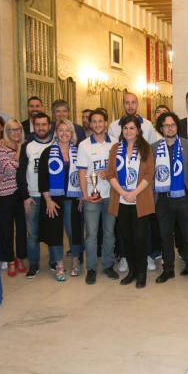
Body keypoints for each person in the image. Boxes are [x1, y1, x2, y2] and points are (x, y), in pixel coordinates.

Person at [106, 115, 155, 288]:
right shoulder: (115, 149)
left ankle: (141, 274)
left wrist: (133, 192)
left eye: (132, 128)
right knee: (127, 239)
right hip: (121, 201)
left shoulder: (146, 149)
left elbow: (149, 174)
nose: (128, 131)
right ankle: (132, 272)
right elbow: (110, 173)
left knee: (140, 239)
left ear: (138, 130)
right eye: (125, 128)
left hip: (140, 200)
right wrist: (122, 193)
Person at [152, 111, 188, 284]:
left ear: (177, 127)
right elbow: (151, 175)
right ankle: (168, 269)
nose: (169, 128)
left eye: (172, 125)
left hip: (184, 198)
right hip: (163, 199)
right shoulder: (154, 148)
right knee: (165, 235)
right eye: (166, 125)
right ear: (161, 128)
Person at [38, 119, 84, 281]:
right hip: (54, 201)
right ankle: (59, 264)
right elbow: (42, 179)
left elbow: (82, 176)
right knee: (55, 232)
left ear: (72, 134)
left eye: (68, 130)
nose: (64, 133)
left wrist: (82, 195)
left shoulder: (78, 152)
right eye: (61, 130)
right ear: (56, 133)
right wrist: (48, 200)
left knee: (74, 232)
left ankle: (76, 261)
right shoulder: (47, 152)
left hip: (73, 199)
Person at [77, 109, 118, 283]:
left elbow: (120, 168)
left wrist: (108, 173)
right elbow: (81, 171)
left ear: (106, 123)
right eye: (94, 121)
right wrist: (85, 195)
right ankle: (91, 268)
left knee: (109, 233)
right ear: (90, 124)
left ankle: (108, 265)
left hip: (111, 195)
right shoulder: (84, 145)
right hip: (92, 198)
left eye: (100, 121)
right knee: (91, 234)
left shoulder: (116, 143)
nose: (97, 124)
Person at [17, 112, 53, 279]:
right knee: (32, 233)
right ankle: (33, 264)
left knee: (53, 230)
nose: (41, 128)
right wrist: (25, 196)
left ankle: (54, 261)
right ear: (34, 126)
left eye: (44, 124)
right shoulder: (27, 146)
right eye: (37, 125)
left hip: (53, 197)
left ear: (49, 126)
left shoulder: (56, 144)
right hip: (33, 196)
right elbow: (21, 173)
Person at [0, 120, 28, 277]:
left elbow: (23, 168)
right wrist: (20, 150)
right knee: (6, 229)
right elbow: (9, 170)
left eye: (18, 130)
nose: (16, 133)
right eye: (12, 130)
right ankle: (9, 259)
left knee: (21, 228)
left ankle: (20, 257)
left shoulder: (24, 146)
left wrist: (19, 152)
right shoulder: (2, 149)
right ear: (6, 132)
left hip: (20, 193)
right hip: (4, 194)